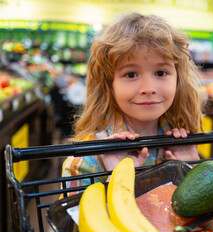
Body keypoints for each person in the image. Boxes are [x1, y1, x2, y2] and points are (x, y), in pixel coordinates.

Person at [62, 12, 205, 188]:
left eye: (161, 73)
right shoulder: (86, 161)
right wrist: (114, 179)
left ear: (178, 79)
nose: (148, 88)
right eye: (131, 74)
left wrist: (193, 170)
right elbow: (73, 215)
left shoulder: (182, 145)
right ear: (109, 84)